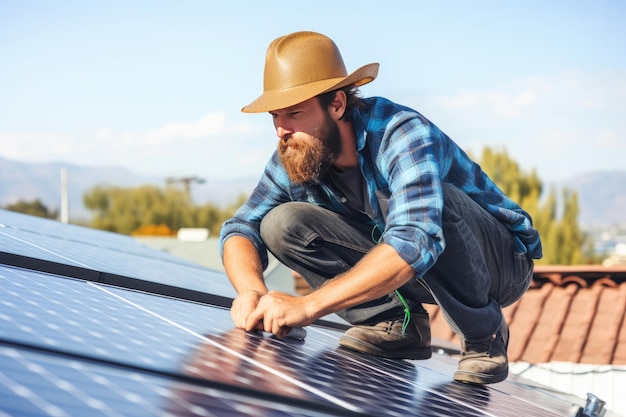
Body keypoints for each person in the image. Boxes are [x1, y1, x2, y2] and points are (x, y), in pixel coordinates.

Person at [218, 31, 542, 385]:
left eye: (294, 113)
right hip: (416, 267)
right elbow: (242, 227)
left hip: (498, 264)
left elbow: (416, 240)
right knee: (281, 222)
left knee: (432, 203)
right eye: (275, 116)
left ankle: (484, 334)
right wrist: (252, 291)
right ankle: (394, 324)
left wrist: (307, 306)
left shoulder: (400, 133)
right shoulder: (297, 151)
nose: (282, 129)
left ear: (337, 104)